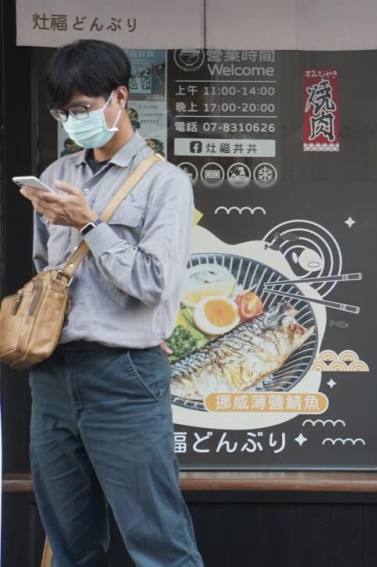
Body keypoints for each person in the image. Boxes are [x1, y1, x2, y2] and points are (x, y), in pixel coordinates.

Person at [18, 40, 203, 566]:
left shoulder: (165, 183)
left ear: (119, 97)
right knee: (70, 543)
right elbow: (45, 265)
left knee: (158, 542)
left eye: (81, 108)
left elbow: (154, 282)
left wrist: (90, 225)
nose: (72, 122)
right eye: (64, 113)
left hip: (124, 375)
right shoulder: (57, 175)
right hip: (52, 373)